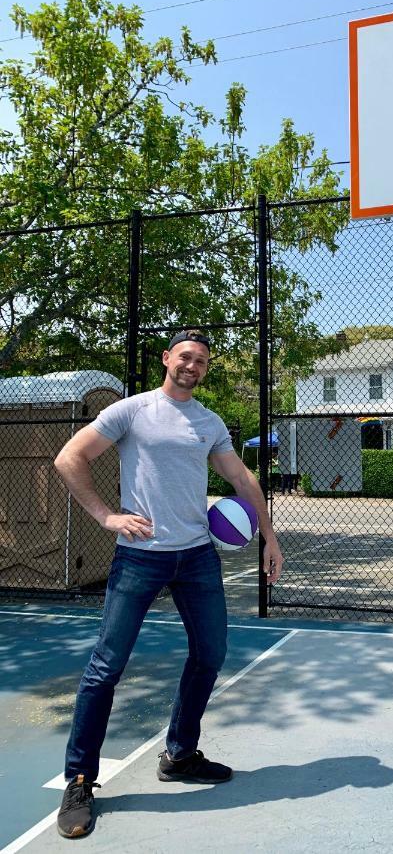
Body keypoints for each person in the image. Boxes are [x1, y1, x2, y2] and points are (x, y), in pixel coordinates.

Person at [53, 329, 283, 839]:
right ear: (167, 358)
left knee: (210, 655)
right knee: (106, 667)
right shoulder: (132, 411)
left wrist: (270, 537)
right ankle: (80, 779)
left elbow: (243, 481)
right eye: (185, 356)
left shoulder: (208, 421)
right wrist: (106, 516)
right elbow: (70, 457)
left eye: (201, 360)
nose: (192, 365)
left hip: (197, 557)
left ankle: (180, 754)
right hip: (140, 558)